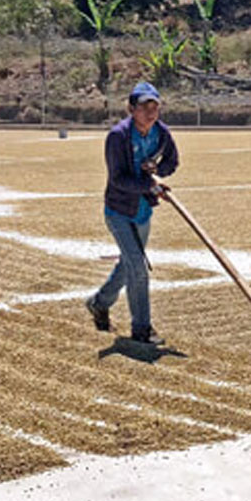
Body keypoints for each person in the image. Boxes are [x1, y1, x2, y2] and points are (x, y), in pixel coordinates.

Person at [85, 82, 179, 345]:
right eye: (144, 107)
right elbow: (117, 179)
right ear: (131, 109)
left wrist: (158, 171)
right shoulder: (118, 136)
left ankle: (98, 303)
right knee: (137, 266)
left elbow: (172, 161)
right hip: (118, 211)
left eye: (155, 107)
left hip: (143, 211)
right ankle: (142, 328)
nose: (150, 112)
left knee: (129, 264)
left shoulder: (161, 133)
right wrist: (149, 183)